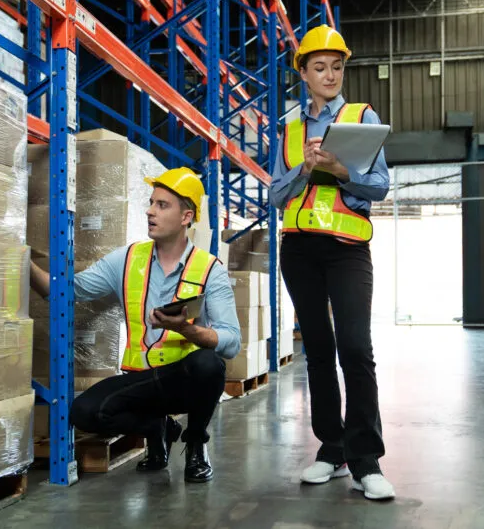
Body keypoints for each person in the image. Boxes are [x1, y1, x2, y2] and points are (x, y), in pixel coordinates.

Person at [29, 167, 241, 483]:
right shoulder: (127, 259)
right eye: (151, 203)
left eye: (162, 205)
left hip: (183, 379)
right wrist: (24, 263)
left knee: (208, 364)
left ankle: (195, 444)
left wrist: (187, 329)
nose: (149, 211)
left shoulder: (210, 269)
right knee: (84, 413)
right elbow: (65, 290)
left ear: (186, 217)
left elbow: (232, 341)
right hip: (142, 379)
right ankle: (158, 429)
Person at [269, 25, 395, 501]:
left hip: (346, 249)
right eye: (319, 67)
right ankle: (331, 448)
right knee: (318, 349)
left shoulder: (363, 116)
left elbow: (380, 186)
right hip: (299, 249)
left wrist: (345, 173)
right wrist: (303, 170)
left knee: (355, 348)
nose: (330, 75)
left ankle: (366, 460)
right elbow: (276, 194)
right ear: (302, 72)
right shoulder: (289, 127)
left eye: (337, 67)